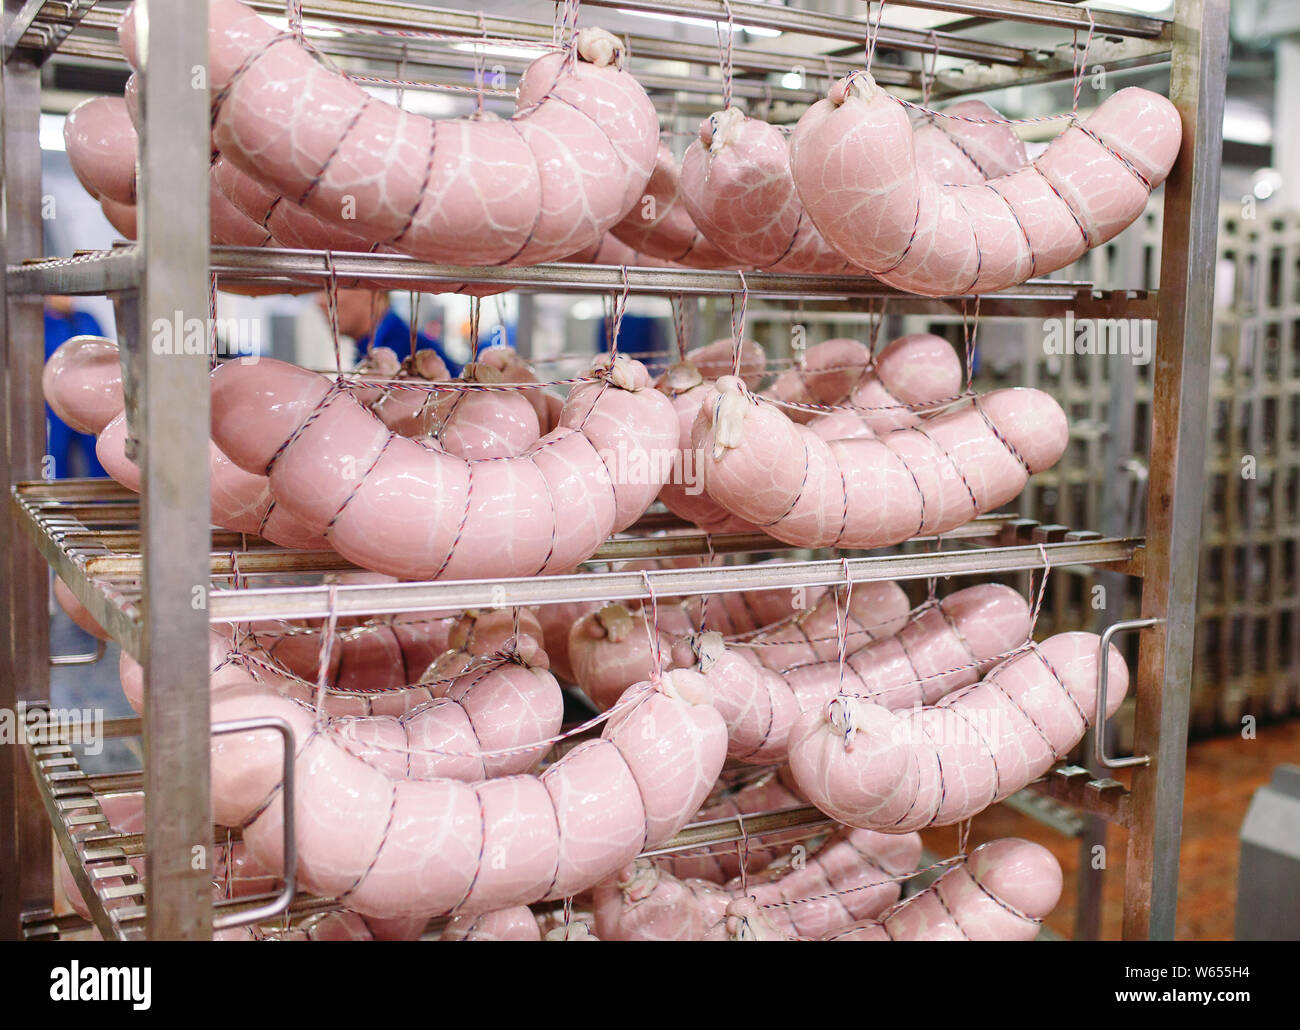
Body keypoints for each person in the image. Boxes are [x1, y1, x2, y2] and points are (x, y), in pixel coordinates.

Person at [316, 288, 462, 376]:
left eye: (335, 284)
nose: (320, 301)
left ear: (373, 290)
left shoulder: (409, 354)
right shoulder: (370, 347)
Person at [44, 296, 108, 479]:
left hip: (91, 403)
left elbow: (106, 352)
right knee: (56, 451)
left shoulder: (86, 318)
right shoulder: (41, 323)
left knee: (99, 450)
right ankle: (56, 501)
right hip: (54, 406)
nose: (67, 298)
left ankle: (104, 501)